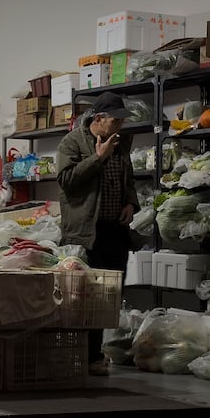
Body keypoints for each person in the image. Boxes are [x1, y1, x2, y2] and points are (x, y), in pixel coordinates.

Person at [54, 91, 138, 376]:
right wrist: (98, 158)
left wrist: (131, 202)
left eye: (122, 122)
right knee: (85, 296)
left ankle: (94, 354)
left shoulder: (121, 142)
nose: (119, 127)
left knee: (109, 296)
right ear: (98, 119)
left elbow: (128, 177)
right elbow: (67, 181)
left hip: (115, 230)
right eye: (115, 121)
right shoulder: (73, 142)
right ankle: (83, 355)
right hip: (86, 232)